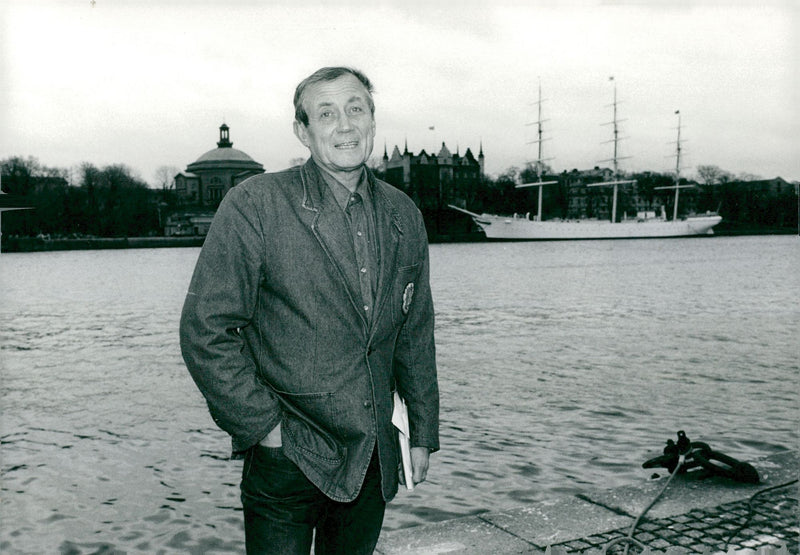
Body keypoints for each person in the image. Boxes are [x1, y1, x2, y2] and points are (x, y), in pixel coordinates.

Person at [179, 66, 439, 555]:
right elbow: (205, 329)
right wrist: (265, 428)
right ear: (303, 131)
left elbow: (414, 332)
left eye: (355, 109)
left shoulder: (404, 213)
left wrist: (421, 433)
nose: (344, 125)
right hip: (287, 457)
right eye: (326, 113)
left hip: (373, 455)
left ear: (372, 120)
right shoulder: (255, 204)